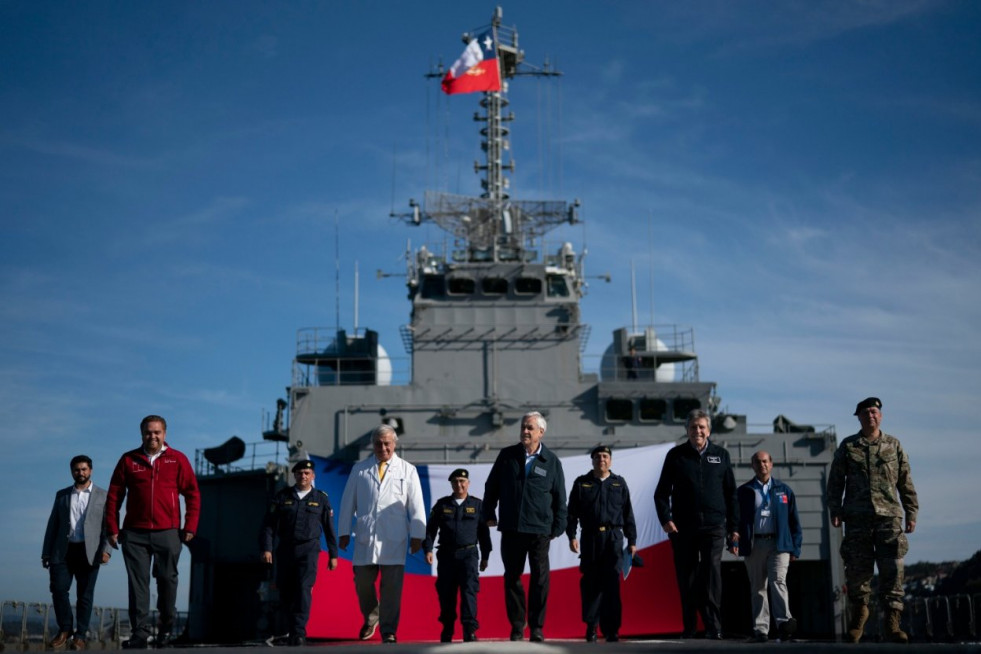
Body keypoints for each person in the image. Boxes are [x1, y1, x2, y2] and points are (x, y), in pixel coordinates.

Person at [827, 397, 918, 644]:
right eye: (866, 412)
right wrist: (835, 509)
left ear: (881, 416)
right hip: (857, 519)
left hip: (888, 517)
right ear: (858, 417)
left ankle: (892, 623)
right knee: (858, 572)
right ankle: (860, 615)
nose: (871, 416)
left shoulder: (893, 445)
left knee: (893, 571)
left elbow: (905, 481)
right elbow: (835, 482)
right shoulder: (848, 447)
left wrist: (911, 511)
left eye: (875, 411)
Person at [105, 415, 200, 649]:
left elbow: (192, 494)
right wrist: (112, 528)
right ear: (142, 434)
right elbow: (114, 495)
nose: (153, 436)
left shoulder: (177, 459)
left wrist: (190, 525)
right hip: (134, 534)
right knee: (138, 585)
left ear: (165, 434)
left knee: (167, 581)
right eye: (148, 432)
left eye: (157, 432)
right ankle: (140, 633)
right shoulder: (129, 460)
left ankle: (165, 628)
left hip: (168, 532)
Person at [482, 411, 567, 642]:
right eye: (523, 427)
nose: (525, 431)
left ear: (541, 432)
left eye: (530, 428)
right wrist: (488, 512)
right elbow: (491, 487)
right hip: (511, 529)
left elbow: (560, 498)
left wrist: (558, 528)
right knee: (512, 577)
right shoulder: (507, 456)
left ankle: (537, 627)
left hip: (540, 530)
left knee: (540, 579)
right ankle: (518, 625)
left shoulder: (551, 461)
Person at [654, 408, 738, 640]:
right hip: (683, 527)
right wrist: (666, 520)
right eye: (693, 427)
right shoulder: (676, 456)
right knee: (687, 578)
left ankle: (714, 627)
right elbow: (661, 493)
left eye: (701, 427)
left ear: (708, 430)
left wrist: (734, 527)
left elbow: (731, 494)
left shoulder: (721, 455)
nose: (697, 431)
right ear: (687, 431)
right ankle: (690, 627)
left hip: (713, 526)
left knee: (712, 576)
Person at [337, 425, 426, 644]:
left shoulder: (407, 470)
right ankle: (371, 616)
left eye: (387, 443)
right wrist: (344, 531)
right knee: (363, 582)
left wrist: (418, 535)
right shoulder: (360, 469)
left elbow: (416, 505)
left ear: (394, 444)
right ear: (373, 445)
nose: (383, 447)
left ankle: (389, 630)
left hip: (394, 537)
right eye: (378, 443)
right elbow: (348, 502)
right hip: (366, 535)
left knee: (392, 589)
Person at [260, 460, 339, 646]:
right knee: (286, 591)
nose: (303, 476)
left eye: (306, 473)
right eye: (299, 473)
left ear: (313, 476)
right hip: (285, 549)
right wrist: (266, 548)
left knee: (303, 589)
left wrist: (333, 554)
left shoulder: (321, 498)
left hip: (309, 550)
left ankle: (298, 632)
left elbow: (328, 528)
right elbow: (268, 525)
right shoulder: (282, 497)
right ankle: (289, 630)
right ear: (294, 475)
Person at [566, 445, 637, 643]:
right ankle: (591, 627)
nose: (601, 460)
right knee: (591, 584)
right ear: (592, 460)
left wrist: (632, 541)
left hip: (614, 539)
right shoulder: (582, 483)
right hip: (590, 539)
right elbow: (571, 513)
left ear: (610, 460)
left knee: (612, 586)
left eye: (605, 456)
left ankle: (612, 630)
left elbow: (628, 514)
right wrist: (571, 535)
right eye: (597, 457)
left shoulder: (619, 484)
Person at [42, 455, 113, 650]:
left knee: (85, 595)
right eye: (76, 470)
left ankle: (80, 635)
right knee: (58, 590)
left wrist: (107, 550)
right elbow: (53, 525)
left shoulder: (103, 495)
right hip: (62, 551)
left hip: (89, 552)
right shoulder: (62, 495)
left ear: (90, 470)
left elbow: (109, 526)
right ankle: (65, 629)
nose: (80, 473)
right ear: (71, 471)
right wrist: (46, 552)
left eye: (84, 469)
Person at [736, 450, 802, 643]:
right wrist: (734, 541)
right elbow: (735, 520)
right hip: (754, 543)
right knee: (758, 587)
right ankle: (761, 630)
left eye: (765, 461)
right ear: (753, 466)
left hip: (779, 544)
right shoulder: (744, 491)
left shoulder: (784, 490)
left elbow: (794, 521)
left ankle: (784, 624)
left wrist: (795, 547)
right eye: (757, 462)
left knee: (778, 582)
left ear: (771, 464)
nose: (762, 465)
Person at [423, 468, 492, 643]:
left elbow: (484, 533)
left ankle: (470, 630)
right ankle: (447, 629)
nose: (459, 485)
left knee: (469, 592)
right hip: (446, 555)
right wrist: (428, 549)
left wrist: (485, 556)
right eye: (455, 482)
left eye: (462, 481)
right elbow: (430, 530)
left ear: (468, 483)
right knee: (446, 593)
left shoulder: (477, 505)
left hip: (469, 555)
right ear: (451, 484)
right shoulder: (442, 505)